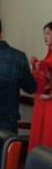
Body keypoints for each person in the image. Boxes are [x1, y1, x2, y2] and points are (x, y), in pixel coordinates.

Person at [28, 21, 52, 151]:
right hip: (42, 101)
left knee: (47, 135)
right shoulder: (48, 54)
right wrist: (36, 64)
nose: (45, 37)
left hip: (49, 103)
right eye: (44, 34)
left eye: (48, 33)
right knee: (39, 135)